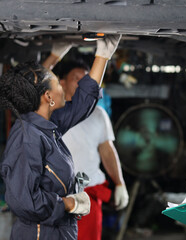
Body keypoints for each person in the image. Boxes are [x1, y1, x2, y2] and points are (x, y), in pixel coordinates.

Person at [0, 34, 121, 239]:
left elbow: (83, 104)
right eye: (57, 82)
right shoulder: (27, 137)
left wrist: (103, 55)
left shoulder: (47, 126)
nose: (62, 87)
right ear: (48, 97)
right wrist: (69, 203)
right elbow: (24, 201)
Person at [55, 56, 129, 240]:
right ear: (62, 83)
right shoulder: (52, 114)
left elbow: (107, 150)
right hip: (57, 196)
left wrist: (119, 183)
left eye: (86, 79)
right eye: (76, 79)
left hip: (89, 195)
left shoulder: (98, 114)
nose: (82, 84)